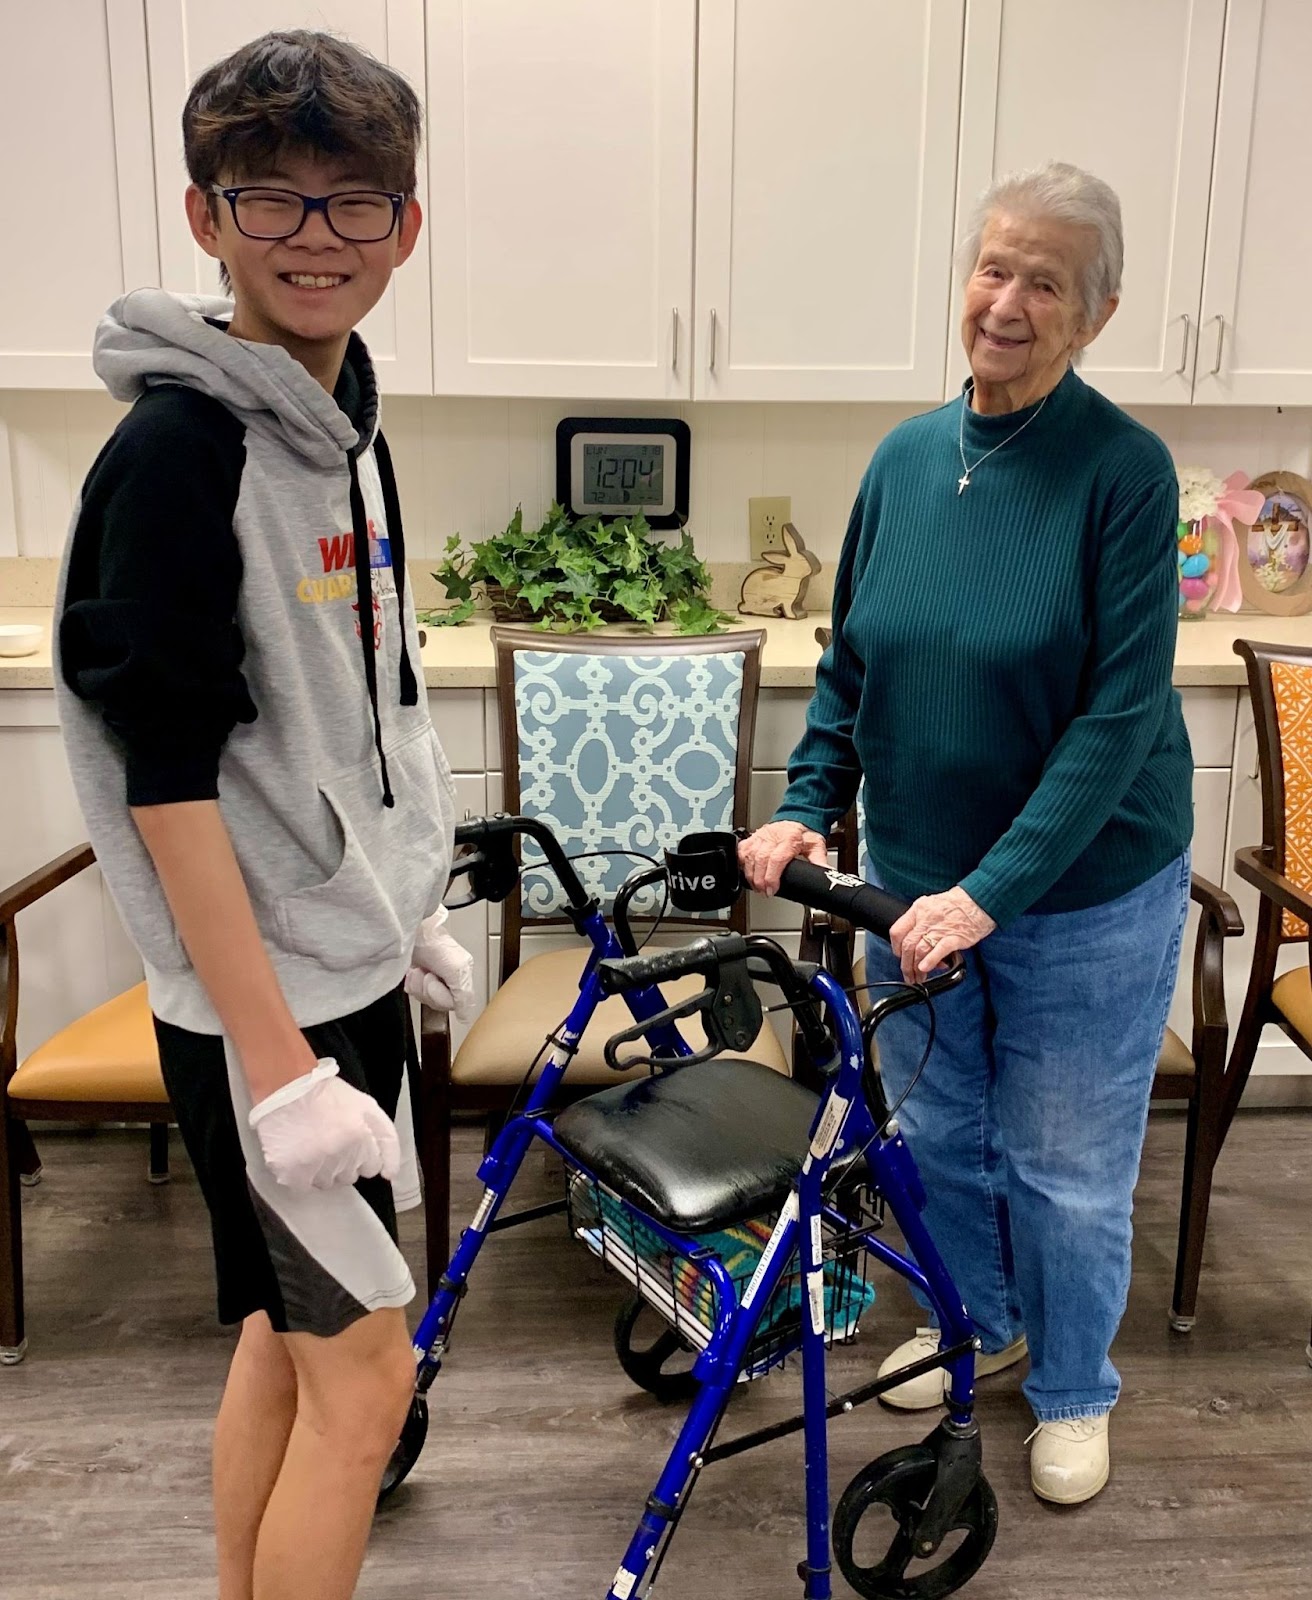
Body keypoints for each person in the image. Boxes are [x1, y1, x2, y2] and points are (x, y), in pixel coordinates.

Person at [54, 31, 473, 1600]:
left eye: (353, 204)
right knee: (369, 1389)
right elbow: (165, 787)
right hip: (264, 1021)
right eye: (271, 200)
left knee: (288, 1351)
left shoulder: (341, 427)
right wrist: (280, 1065)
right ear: (202, 215)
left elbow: (351, 718)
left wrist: (398, 906)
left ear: (405, 231)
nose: (316, 238)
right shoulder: (181, 453)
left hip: (329, 972)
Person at [740, 161, 1193, 1506]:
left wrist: (992, 892)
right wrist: (810, 797)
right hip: (916, 886)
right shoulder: (901, 457)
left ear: (1096, 314)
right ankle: (972, 1325)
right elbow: (851, 666)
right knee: (936, 1135)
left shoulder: (1122, 472)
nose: (1006, 301)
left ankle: (1071, 1388)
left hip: (1086, 893)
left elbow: (1116, 721)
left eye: (1043, 281)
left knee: (1062, 1163)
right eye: (993, 267)